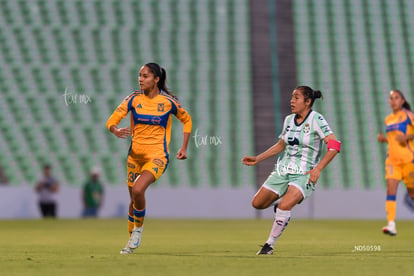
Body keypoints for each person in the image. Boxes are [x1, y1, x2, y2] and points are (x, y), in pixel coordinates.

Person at [242, 86, 340, 255]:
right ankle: (282, 206)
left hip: (304, 173)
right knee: (257, 203)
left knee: (285, 206)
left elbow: (335, 145)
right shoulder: (288, 120)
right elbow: (281, 145)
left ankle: (269, 245)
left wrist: (318, 169)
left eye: (296, 98)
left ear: (308, 102)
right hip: (283, 170)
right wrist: (258, 158)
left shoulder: (316, 119)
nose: (291, 101)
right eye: (291, 97)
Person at [106, 62, 192, 254]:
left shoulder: (168, 102)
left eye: (145, 76)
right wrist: (115, 129)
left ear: (156, 79)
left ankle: (137, 231)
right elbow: (112, 119)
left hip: (157, 156)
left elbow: (187, 119)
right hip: (134, 157)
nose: (140, 79)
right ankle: (130, 243)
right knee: (133, 200)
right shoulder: (133, 99)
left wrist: (184, 147)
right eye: (139, 75)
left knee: (138, 190)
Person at [377, 89, 414, 236]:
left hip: (409, 160)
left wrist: (407, 137)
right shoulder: (388, 119)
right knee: (391, 191)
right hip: (392, 161)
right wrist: (384, 139)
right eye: (391, 98)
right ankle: (391, 224)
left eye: (396, 98)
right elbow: (394, 140)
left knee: (412, 194)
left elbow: (403, 138)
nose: (393, 101)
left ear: (402, 100)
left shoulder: (408, 115)